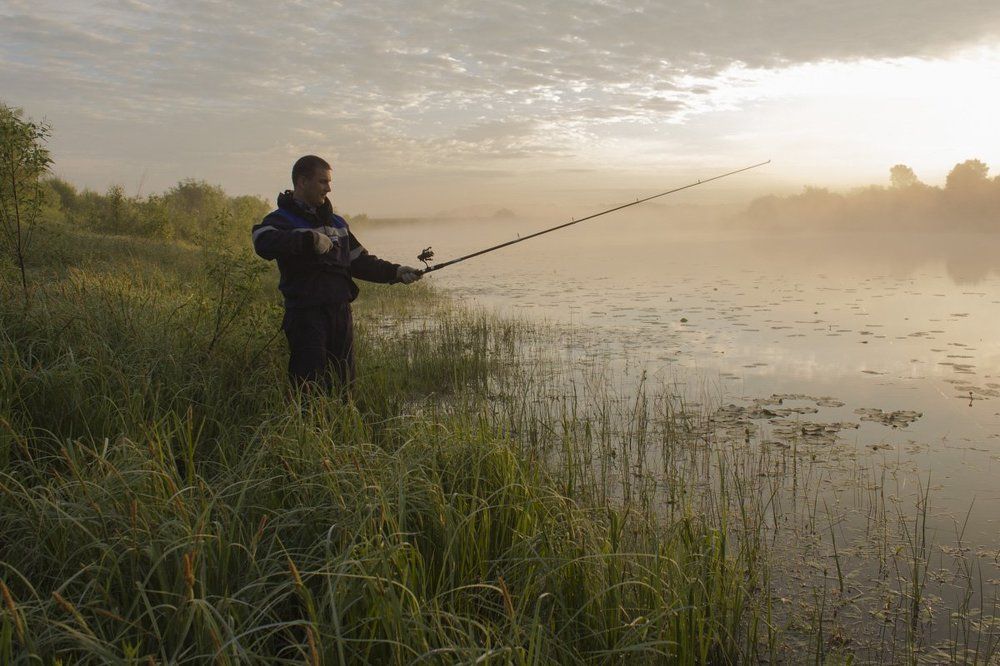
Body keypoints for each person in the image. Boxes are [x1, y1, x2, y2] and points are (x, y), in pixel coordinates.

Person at [252, 155, 422, 397]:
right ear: (301, 181)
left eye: (329, 182)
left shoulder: (338, 223)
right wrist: (308, 239)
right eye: (322, 182)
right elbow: (262, 241)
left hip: (340, 313)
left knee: (344, 386)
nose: (328, 188)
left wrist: (394, 272)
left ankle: (340, 430)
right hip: (305, 315)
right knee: (308, 388)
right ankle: (309, 432)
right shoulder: (280, 220)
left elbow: (360, 261)